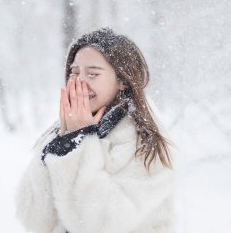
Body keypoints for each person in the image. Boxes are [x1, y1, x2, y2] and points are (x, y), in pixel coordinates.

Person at [15, 27, 175, 233]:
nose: (79, 82)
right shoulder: (62, 129)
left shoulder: (144, 143)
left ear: (123, 80)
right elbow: (33, 219)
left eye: (92, 74)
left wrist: (78, 143)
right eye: (74, 73)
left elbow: (100, 225)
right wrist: (64, 142)